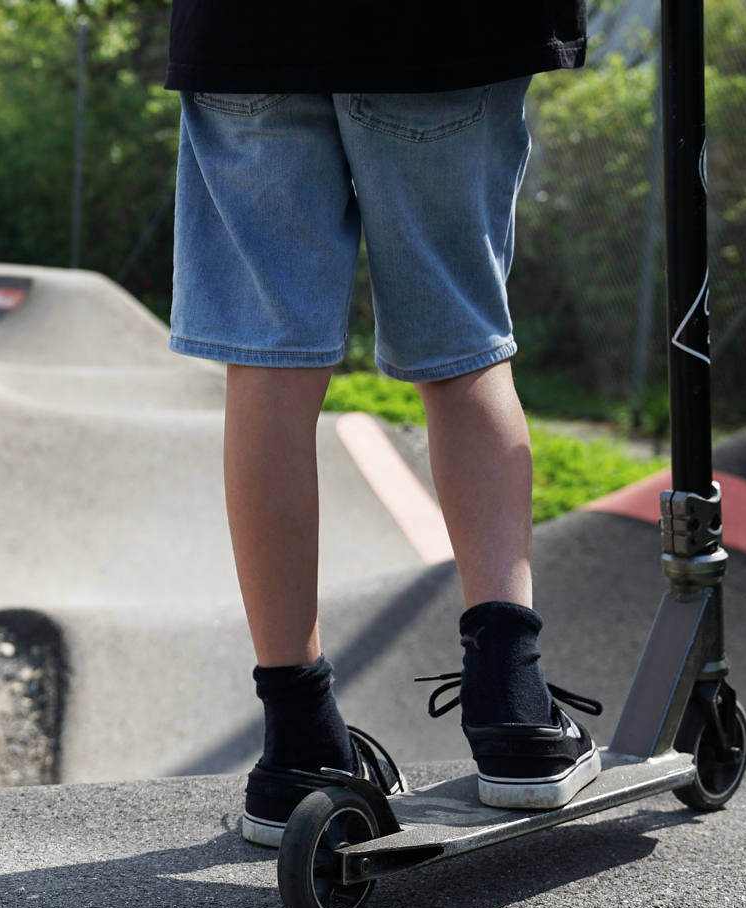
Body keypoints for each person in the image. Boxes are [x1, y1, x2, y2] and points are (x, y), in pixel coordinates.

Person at [163, 2, 605, 846]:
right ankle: (514, 709)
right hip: (443, 35)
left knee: (267, 363)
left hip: (247, 35)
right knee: (464, 347)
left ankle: (298, 739)